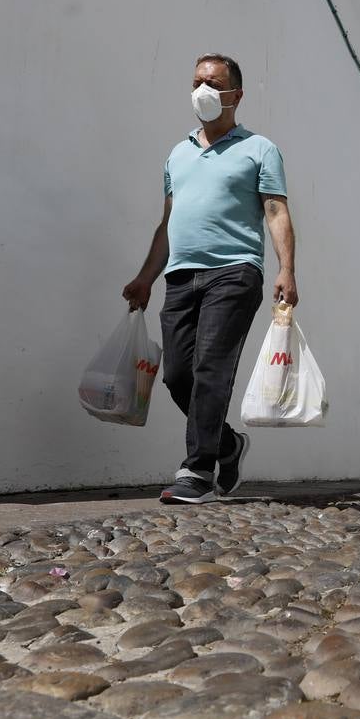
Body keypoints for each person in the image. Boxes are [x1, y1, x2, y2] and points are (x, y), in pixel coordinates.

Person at [123, 53, 297, 505]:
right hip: (181, 275)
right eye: (198, 81)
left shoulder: (259, 148)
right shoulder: (177, 154)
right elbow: (167, 224)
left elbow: (276, 211)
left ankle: (197, 470)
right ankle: (227, 444)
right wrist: (145, 277)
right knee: (177, 374)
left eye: (215, 83)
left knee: (210, 369)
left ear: (236, 95)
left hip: (236, 272)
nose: (203, 90)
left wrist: (286, 268)